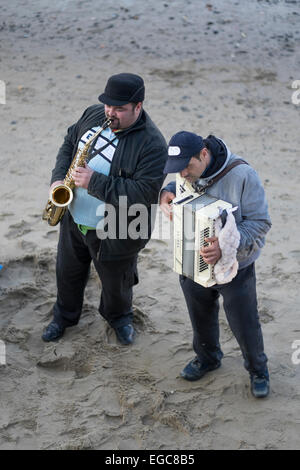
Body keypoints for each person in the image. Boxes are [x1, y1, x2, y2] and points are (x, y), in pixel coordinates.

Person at [42, 73, 167, 345]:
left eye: (120, 109)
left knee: (117, 282)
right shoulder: (94, 114)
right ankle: (64, 316)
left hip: (117, 227)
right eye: (108, 105)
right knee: (68, 273)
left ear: (138, 106)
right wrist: (57, 177)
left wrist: (93, 181)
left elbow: (144, 194)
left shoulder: (153, 144)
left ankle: (119, 318)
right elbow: (69, 143)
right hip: (73, 216)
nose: (110, 113)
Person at [160, 131, 272, 398]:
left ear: (204, 154)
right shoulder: (185, 171)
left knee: (244, 323)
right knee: (199, 315)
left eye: (187, 166)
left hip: (237, 266)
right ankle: (208, 358)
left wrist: (226, 244)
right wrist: (167, 192)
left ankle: (258, 370)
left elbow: (261, 223)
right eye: (178, 169)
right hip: (191, 257)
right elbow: (180, 185)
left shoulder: (243, 175)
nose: (183, 173)